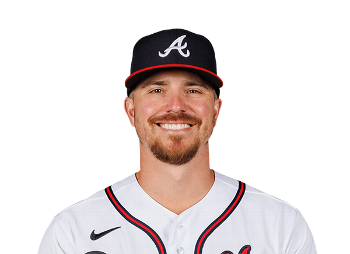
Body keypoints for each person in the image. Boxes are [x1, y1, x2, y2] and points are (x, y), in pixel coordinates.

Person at [38, 29, 316, 254]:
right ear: (131, 111)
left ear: (216, 110)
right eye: (157, 89)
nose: (175, 105)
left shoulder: (280, 225)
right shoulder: (72, 231)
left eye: (193, 90)